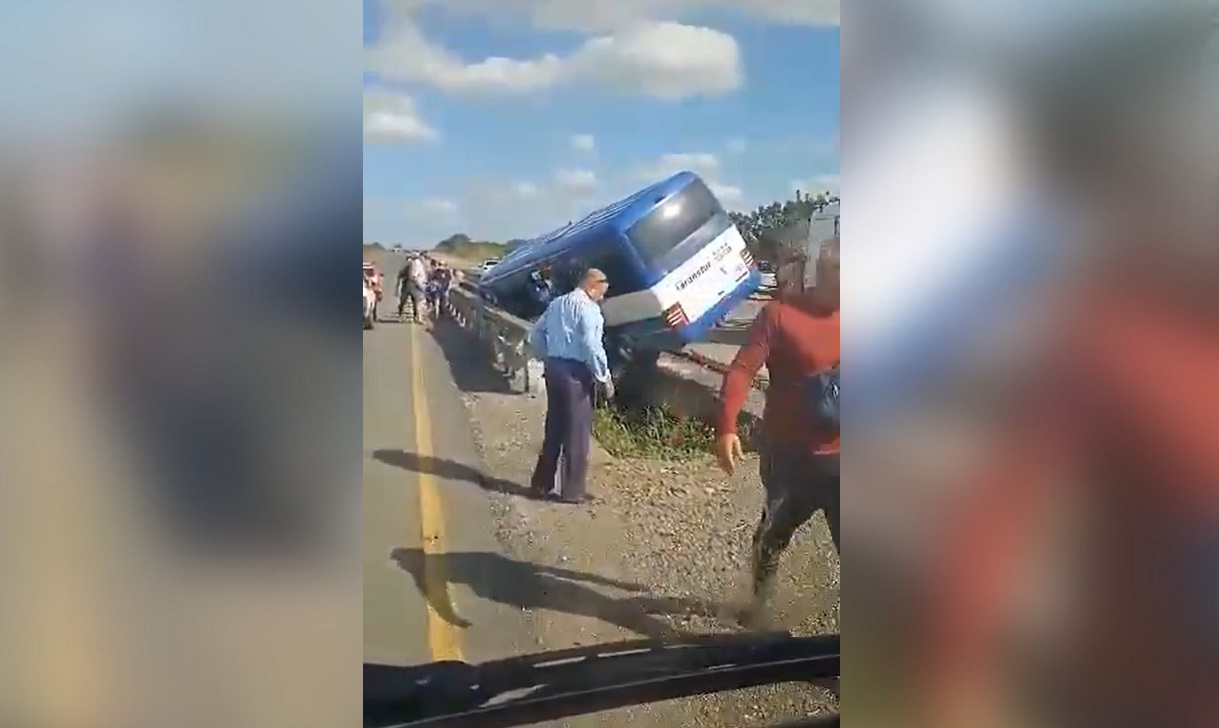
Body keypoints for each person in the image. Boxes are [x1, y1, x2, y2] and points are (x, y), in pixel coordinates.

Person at [716, 236, 840, 628]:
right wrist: (727, 428)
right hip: (789, 458)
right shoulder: (779, 315)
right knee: (772, 537)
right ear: (823, 270)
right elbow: (741, 369)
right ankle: (759, 610)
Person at [528, 267, 614, 504]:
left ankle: (541, 484)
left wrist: (547, 356)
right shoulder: (589, 309)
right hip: (576, 373)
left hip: (554, 370)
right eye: (602, 292)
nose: (602, 298)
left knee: (554, 427)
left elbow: (535, 333)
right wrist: (603, 376)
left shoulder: (557, 303)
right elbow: (591, 345)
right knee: (577, 432)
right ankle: (572, 491)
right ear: (593, 285)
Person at [396, 254, 429, 324]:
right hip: (413, 284)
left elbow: (401, 276)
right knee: (414, 301)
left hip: (409, 284)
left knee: (409, 301)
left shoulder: (412, 264)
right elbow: (413, 276)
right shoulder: (415, 264)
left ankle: (408, 316)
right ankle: (414, 317)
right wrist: (420, 286)